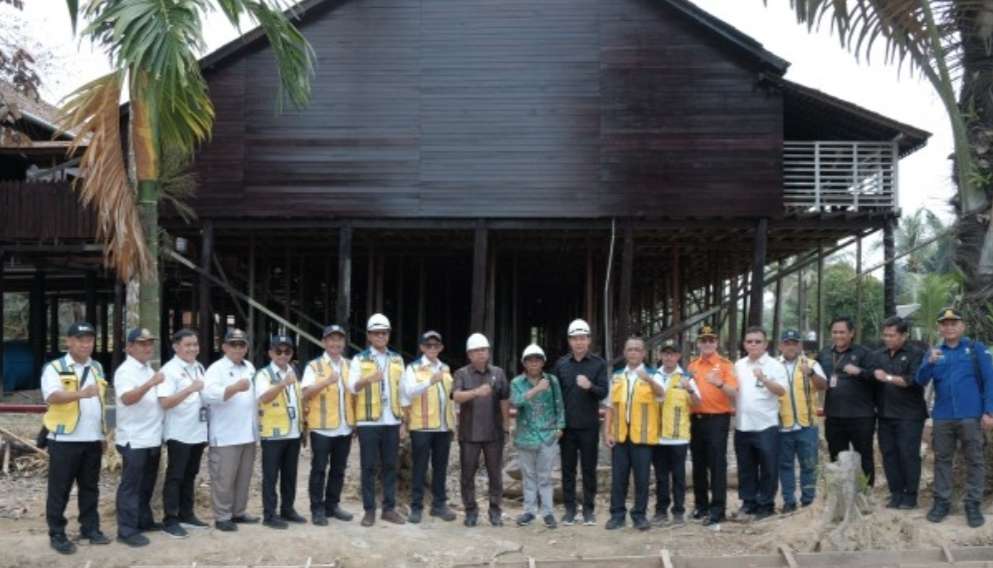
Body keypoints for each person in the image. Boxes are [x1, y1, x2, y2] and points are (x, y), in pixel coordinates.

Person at [916, 308, 993, 528]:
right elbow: (920, 380)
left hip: (972, 415)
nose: (948, 327)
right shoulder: (934, 352)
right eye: (944, 324)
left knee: (975, 461)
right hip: (943, 417)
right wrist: (929, 362)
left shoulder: (976, 350)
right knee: (942, 461)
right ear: (939, 328)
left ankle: (973, 504)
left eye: (953, 323)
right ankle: (942, 502)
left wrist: (989, 411)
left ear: (962, 327)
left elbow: (990, 381)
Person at [41, 322, 111, 554]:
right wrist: (81, 393)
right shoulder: (55, 367)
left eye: (89, 340)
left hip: (92, 439)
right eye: (80, 339)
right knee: (59, 489)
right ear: (69, 342)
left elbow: (100, 403)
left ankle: (90, 528)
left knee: (90, 487)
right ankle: (57, 533)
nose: (86, 344)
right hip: (64, 439)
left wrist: (102, 434)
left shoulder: (97, 367)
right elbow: (52, 396)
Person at [348, 313, 406, 527]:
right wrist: (368, 379)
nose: (381, 336)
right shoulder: (359, 359)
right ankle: (369, 510)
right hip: (368, 422)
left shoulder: (397, 359)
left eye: (384, 333)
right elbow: (351, 387)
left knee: (391, 466)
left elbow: (404, 391)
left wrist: (404, 421)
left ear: (388, 335)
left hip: (391, 420)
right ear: (369, 336)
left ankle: (389, 509)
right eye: (376, 333)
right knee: (368, 467)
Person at [604, 337, 665, 531]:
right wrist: (607, 432)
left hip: (644, 436)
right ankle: (617, 515)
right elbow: (610, 407)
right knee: (619, 478)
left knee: (642, 478)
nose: (633, 353)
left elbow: (662, 394)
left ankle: (639, 515)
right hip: (620, 435)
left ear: (644, 353)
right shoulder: (616, 376)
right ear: (624, 352)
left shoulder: (654, 374)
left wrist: (647, 379)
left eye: (637, 349)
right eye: (630, 349)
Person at [552, 318, 608, 526]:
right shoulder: (561, 365)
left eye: (582, 338)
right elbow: (555, 396)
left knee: (588, 469)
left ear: (589, 340)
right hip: (566, 428)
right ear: (569, 341)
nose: (579, 342)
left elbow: (604, 392)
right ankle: (569, 510)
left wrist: (590, 386)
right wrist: (557, 424)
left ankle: (588, 510)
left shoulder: (598, 364)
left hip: (589, 427)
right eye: (575, 339)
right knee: (568, 469)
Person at [114, 328, 166, 546]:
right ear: (129, 347)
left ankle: (144, 521)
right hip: (134, 438)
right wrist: (150, 384)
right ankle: (126, 530)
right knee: (131, 486)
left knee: (146, 484)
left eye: (149, 343)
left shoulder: (147, 368)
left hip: (152, 437)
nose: (147, 347)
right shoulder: (126, 371)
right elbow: (127, 398)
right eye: (141, 343)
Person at [202, 328, 258, 531]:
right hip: (225, 434)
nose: (237, 348)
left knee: (244, 477)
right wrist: (233, 388)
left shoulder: (249, 367)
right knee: (224, 478)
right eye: (233, 344)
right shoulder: (216, 369)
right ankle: (222, 516)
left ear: (246, 348)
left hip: (248, 433)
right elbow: (207, 396)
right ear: (224, 347)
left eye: (241, 344)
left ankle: (239, 512)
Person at [452, 332, 511, 527]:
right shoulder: (461, 373)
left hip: (494, 433)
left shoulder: (498, 373)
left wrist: (506, 425)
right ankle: (471, 511)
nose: (480, 354)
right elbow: (457, 396)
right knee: (467, 475)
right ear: (469, 354)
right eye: (476, 351)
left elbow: (504, 399)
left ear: (488, 352)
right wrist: (477, 392)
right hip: (469, 434)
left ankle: (495, 511)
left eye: (483, 350)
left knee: (495, 474)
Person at [401, 331, 457, 524]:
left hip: (443, 427)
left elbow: (449, 398)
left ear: (440, 348)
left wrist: (453, 424)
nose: (432, 348)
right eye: (428, 345)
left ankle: (439, 505)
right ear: (422, 347)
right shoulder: (413, 368)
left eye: (436, 345)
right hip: (422, 427)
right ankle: (416, 507)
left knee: (441, 468)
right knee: (420, 467)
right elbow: (408, 392)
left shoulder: (446, 368)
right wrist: (429, 381)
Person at [869, 317, 925, 510]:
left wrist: (888, 377)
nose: (887, 339)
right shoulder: (878, 355)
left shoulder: (916, 353)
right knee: (889, 455)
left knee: (908, 454)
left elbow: (915, 380)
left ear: (903, 335)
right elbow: (871, 379)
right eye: (885, 335)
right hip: (884, 414)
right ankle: (896, 493)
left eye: (892, 335)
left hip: (909, 414)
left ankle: (911, 495)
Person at [301, 324, 355, 525]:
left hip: (344, 426)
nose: (335, 343)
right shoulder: (314, 366)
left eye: (339, 339)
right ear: (324, 342)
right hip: (322, 428)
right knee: (319, 469)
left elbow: (353, 395)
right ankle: (317, 509)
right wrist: (326, 381)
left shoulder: (349, 366)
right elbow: (304, 393)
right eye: (331, 339)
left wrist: (355, 422)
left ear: (343, 343)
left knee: (339, 469)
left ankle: (333, 505)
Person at [158, 329, 209, 536]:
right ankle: (170, 519)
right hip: (179, 432)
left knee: (191, 474)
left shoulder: (199, 367)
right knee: (176, 476)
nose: (192, 349)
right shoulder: (169, 370)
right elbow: (165, 402)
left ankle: (187, 514)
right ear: (176, 346)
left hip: (197, 430)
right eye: (188, 345)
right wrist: (189, 389)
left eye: (195, 344)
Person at [732, 327, 787, 521]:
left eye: (757, 341)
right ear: (744, 344)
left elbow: (781, 391)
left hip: (766, 425)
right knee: (746, 467)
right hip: (742, 424)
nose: (753, 345)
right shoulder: (738, 365)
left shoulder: (774, 365)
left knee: (768, 467)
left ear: (766, 344)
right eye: (749, 341)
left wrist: (763, 378)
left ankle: (766, 505)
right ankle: (748, 503)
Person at [687, 325, 737, 528]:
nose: (707, 343)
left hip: (717, 419)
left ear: (716, 343)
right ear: (698, 343)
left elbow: (733, 392)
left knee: (717, 465)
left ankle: (718, 510)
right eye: (703, 340)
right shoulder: (692, 366)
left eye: (711, 340)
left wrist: (718, 383)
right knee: (698, 464)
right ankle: (701, 506)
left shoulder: (725, 365)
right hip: (696, 419)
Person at [254, 334, 307, 529]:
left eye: (287, 351)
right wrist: (283, 383)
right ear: (270, 353)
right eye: (278, 351)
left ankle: (288, 509)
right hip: (273, 434)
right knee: (270, 476)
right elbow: (264, 398)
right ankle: (269, 514)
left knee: (290, 475)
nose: (283, 355)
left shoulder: (293, 371)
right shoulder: (264, 375)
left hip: (293, 432)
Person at [816, 316, 876, 486]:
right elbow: (818, 379)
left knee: (864, 455)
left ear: (851, 333)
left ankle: (865, 492)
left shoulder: (864, 353)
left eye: (842, 332)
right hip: (834, 415)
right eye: (835, 332)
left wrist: (859, 371)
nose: (838, 335)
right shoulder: (825, 353)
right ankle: (840, 491)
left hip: (861, 416)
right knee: (836, 455)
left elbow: (876, 378)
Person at [511, 344, 565, 529]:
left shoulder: (552, 381)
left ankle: (548, 512)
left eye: (537, 359)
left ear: (543, 362)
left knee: (545, 476)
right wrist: (536, 390)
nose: (534, 363)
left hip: (548, 435)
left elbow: (559, 404)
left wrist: (560, 426)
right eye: (530, 360)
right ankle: (529, 511)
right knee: (529, 476)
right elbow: (516, 402)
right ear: (524, 363)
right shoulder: (517, 383)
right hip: (526, 436)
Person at [776, 329, 826, 512]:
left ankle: (808, 501)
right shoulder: (773, 366)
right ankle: (789, 502)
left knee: (809, 465)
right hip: (783, 426)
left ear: (800, 345)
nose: (791, 346)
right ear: (781, 345)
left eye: (794, 343)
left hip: (807, 425)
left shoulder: (811, 363)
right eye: (787, 343)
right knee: (785, 466)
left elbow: (823, 386)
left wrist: (811, 373)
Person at [651, 339, 700, 527]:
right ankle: (661, 511)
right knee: (661, 477)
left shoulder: (686, 377)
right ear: (660, 355)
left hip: (679, 437)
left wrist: (690, 389)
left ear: (678, 356)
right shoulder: (653, 376)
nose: (668, 357)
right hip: (657, 436)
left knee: (679, 477)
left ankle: (678, 511)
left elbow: (697, 403)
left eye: (672, 353)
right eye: (665, 353)